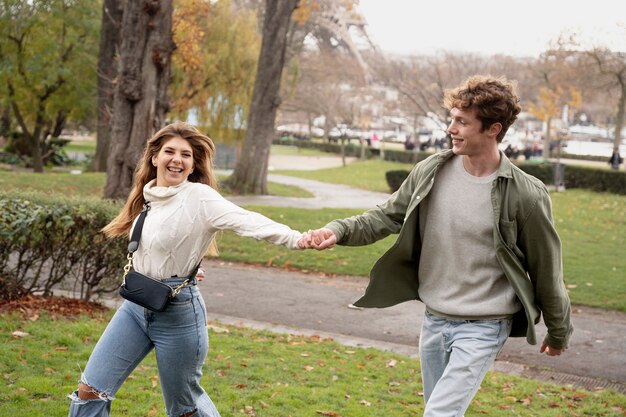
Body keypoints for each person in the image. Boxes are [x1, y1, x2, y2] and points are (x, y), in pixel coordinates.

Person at [301, 75, 573, 416]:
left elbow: (547, 268)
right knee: (440, 410)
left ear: (493, 129)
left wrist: (559, 330)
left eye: (462, 121)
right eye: (452, 119)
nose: (451, 128)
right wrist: (338, 230)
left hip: (484, 325)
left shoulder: (525, 194)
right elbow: (386, 216)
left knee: (439, 414)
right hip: (434, 319)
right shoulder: (432, 171)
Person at [67, 122, 305, 417]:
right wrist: (186, 265)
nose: (176, 159)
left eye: (186, 155)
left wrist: (297, 238)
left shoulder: (199, 197)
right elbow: (158, 242)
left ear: (193, 165)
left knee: (183, 409)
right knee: (89, 390)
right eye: (169, 151)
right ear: (154, 157)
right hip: (136, 306)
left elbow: (247, 221)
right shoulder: (148, 194)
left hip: (178, 315)